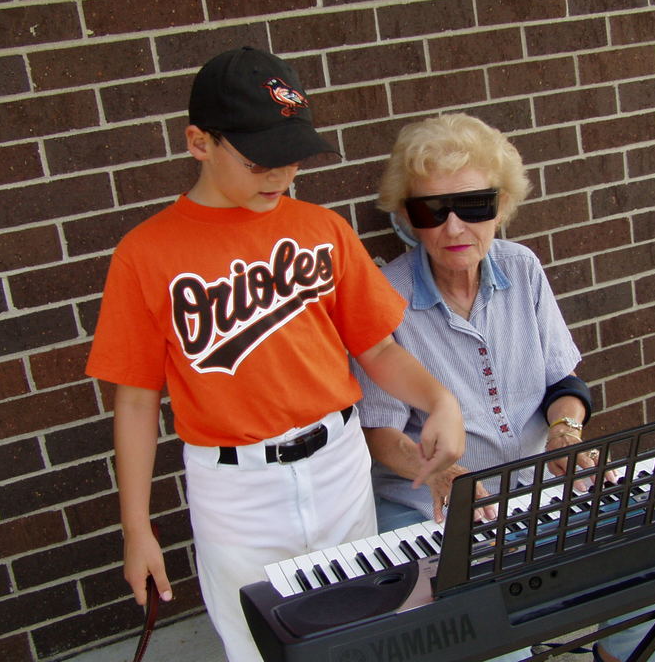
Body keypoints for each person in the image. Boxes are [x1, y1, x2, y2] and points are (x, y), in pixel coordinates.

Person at [85, 46, 465, 662]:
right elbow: (134, 403)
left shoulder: (322, 228)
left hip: (339, 466)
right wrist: (138, 528)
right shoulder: (145, 253)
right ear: (198, 142)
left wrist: (438, 399)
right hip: (235, 488)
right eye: (262, 158)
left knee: (356, 634)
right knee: (260, 645)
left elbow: (376, 349)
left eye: (293, 157)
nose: (281, 175)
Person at [350, 113, 655, 662]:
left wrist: (566, 429)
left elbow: (563, 381)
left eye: (474, 206)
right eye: (432, 210)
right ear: (406, 217)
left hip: (535, 485)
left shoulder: (521, 269)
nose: (454, 229)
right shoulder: (384, 297)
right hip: (429, 504)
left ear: (501, 206)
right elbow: (377, 436)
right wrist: (445, 475)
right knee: (491, 634)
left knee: (646, 571)